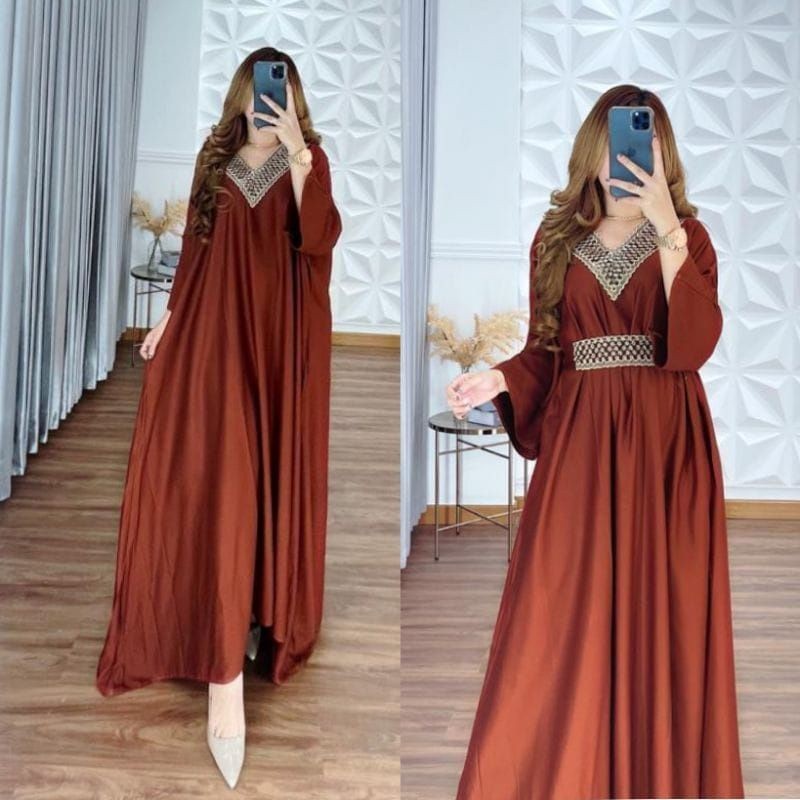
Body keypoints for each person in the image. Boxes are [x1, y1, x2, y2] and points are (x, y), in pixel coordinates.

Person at [446, 85, 745, 799]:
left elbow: (693, 346)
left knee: (664, 619)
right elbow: (547, 352)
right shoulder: (557, 241)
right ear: (593, 149)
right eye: (616, 144)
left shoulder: (690, 239)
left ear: (663, 157)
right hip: (581, 447)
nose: (628, 160)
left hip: (669, 445)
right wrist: (500, 377)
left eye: (644, 145)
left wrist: (668, 228)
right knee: (555, 615)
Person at [94, 47, 342, 789]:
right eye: (261, 91)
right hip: (213, 338)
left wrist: (297, 155)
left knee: (266, 475)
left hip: (280, 347)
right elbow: (196, 251)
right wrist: (169, 319)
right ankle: (221, 672)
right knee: (220, 481)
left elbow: (319, 238)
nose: (269, 103)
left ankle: (257, 614)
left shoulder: (311, 160)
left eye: (281, 92)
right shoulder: (215, 162)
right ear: (242, 95)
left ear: (293, 100)